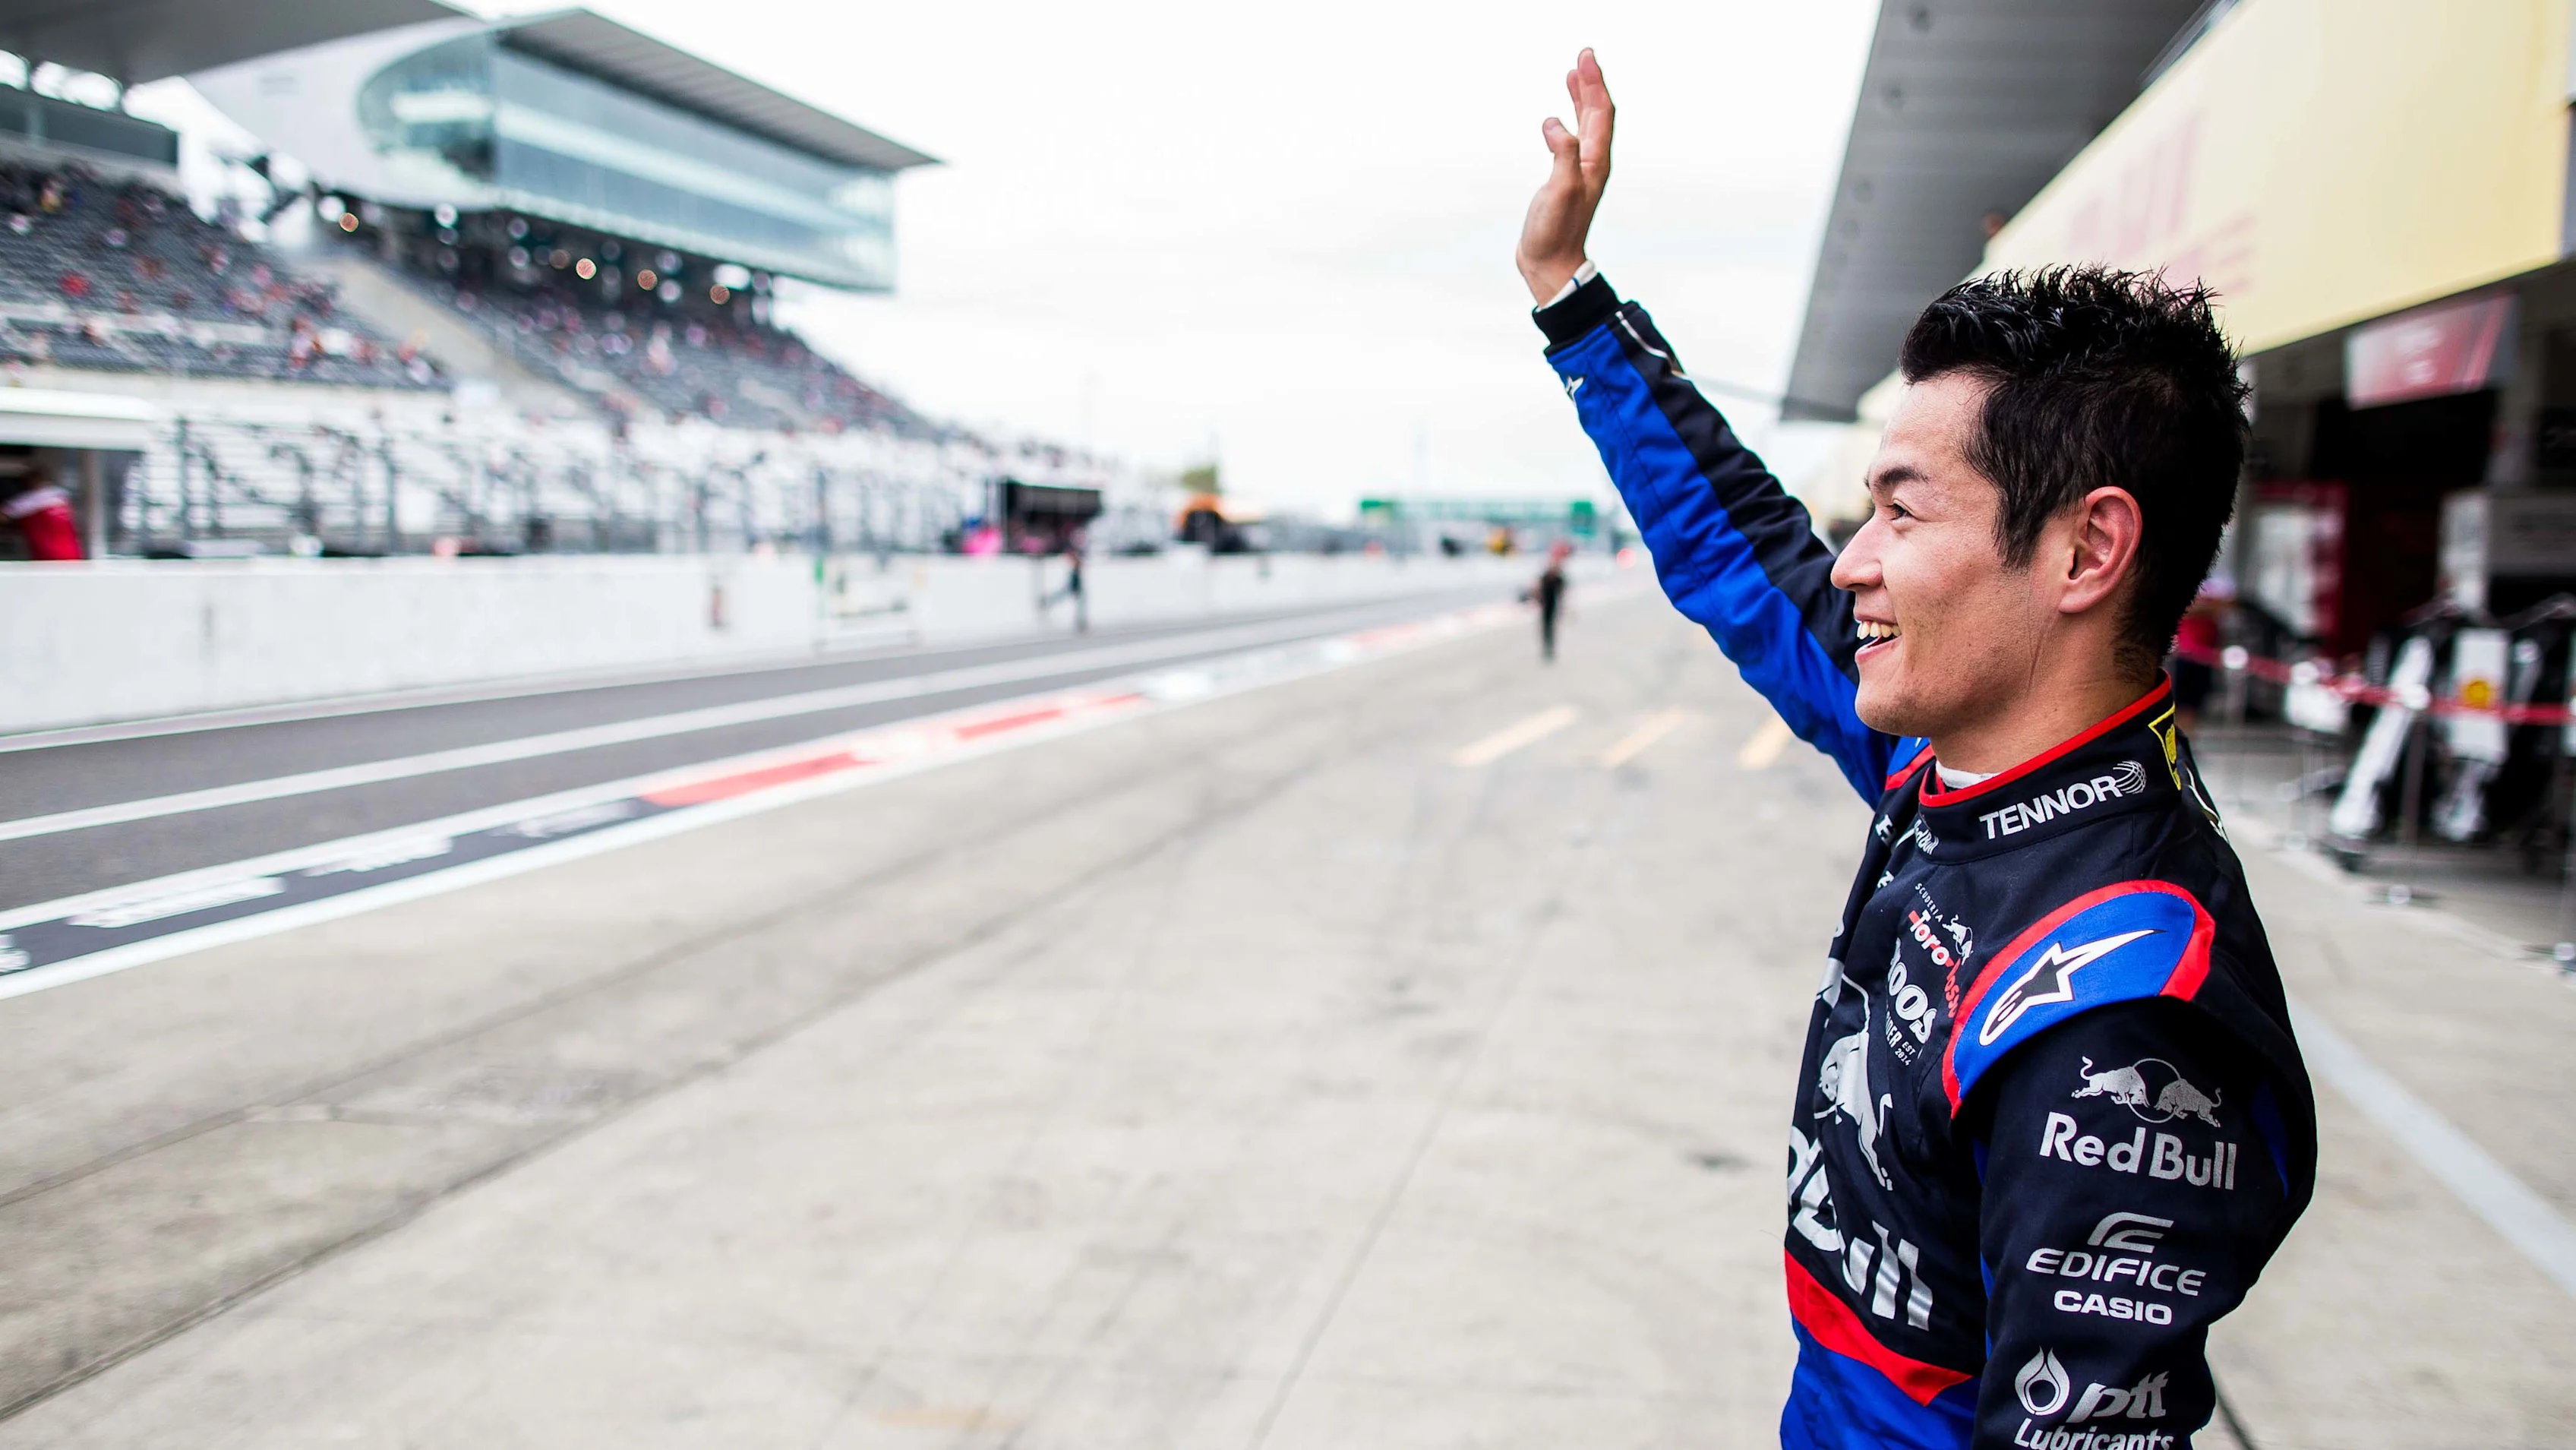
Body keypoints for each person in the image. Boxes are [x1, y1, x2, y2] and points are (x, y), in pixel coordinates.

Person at [1516, 51, 2314, 1450]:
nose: (1855, 562)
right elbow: (1740, 551)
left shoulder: (2117, 998)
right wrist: (1571, 296)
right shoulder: (1960, 764)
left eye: (1900, 511)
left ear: (2085, 548)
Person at [3, 466, 83, 560]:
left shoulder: (31, 500)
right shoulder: (61, 495)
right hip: (72, 553)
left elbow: (5, 514)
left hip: (47, 556)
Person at [1533, 541, 1570, 661]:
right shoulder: (1545, 576)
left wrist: (1563, 607)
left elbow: (1562, 593)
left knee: (1551, 627)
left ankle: (1550, 648)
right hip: (1545, 605)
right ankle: (1547, 648)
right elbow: (1538, 589)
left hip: (1553, 605)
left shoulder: (1559, 578)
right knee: (1545, 627)